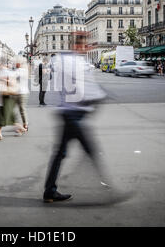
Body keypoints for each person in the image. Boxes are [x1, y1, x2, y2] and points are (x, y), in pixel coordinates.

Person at [43, 32, 108, 203]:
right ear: (79, 45)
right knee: (90, 150)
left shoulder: (61, 60)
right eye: (85, 45)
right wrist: (99, 96)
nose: (87, 48)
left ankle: (49, 191)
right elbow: (84, 89)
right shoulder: (77, 63)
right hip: (74, 114)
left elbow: (58, 84)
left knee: (60, 154)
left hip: (65, 111)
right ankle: (107, 192)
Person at [0, 61, 26, 141]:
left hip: (8, 96)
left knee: (2, 115)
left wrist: (4, 81)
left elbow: (11, 83)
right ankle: (21, 128)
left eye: (0, 64)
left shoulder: (8, 73)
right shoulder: (5, 72)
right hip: (7, 96)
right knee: (10, 116)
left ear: (3, 65)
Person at [15, 57, 29, 131]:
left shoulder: (19, 71)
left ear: (19, 64)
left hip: (20, 92)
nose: (15, 64)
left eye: (16, 62)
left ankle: (24, 125)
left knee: (21, 109)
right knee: (21, 109)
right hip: (22, 92)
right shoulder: (25, 70)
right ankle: (23, 124)